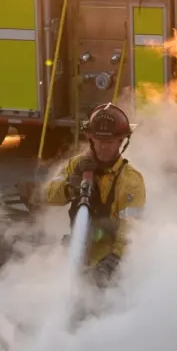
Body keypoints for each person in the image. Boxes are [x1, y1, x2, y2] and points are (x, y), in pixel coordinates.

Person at [43, 104, 145, 283]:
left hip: (109, 260)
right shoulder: (77, 165)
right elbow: (48, 195)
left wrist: (115, 260)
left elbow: (131, 229)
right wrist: (71, 185)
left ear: (121, 142)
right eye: (99, 141)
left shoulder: (130, 180)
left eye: (109, 142)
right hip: (79, 252)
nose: (103, 147)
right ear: (90, 139)